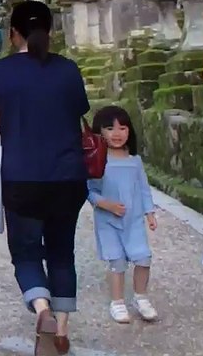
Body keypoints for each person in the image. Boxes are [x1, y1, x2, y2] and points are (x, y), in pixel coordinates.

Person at [0, 0, 88, 356]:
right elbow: (80, 113)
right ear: (50, 32)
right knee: (62, 253)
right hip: (68, 176)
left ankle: (42, 310)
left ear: (13, 34)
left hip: (21, 177)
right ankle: (63, 330)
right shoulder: (68, 70)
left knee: (26, 254)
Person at [86, 105, 158, 325]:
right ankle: (117, 302)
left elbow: (144, 188)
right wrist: (105, 204)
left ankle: (141, 297)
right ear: (99, 132)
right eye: (110, 128)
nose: (117, 134)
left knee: (143, 258)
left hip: (134, 220)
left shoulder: (134, 161)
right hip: (108, 221)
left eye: (122, 128)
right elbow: (88, 190)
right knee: (117, 262)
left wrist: (149, 212)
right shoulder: (98, 160)